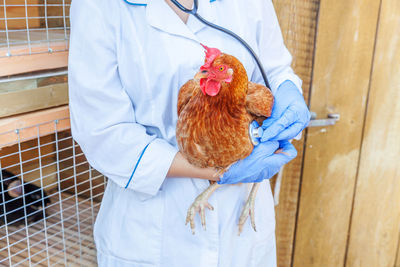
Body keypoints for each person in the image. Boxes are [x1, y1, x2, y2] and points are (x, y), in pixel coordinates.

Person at [68, 0, 310, 266]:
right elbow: (102, 131)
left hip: (241, 222)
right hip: (155, 222)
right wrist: (218, 170)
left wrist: (288, 90)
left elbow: (274, 68)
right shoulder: (99, 6)